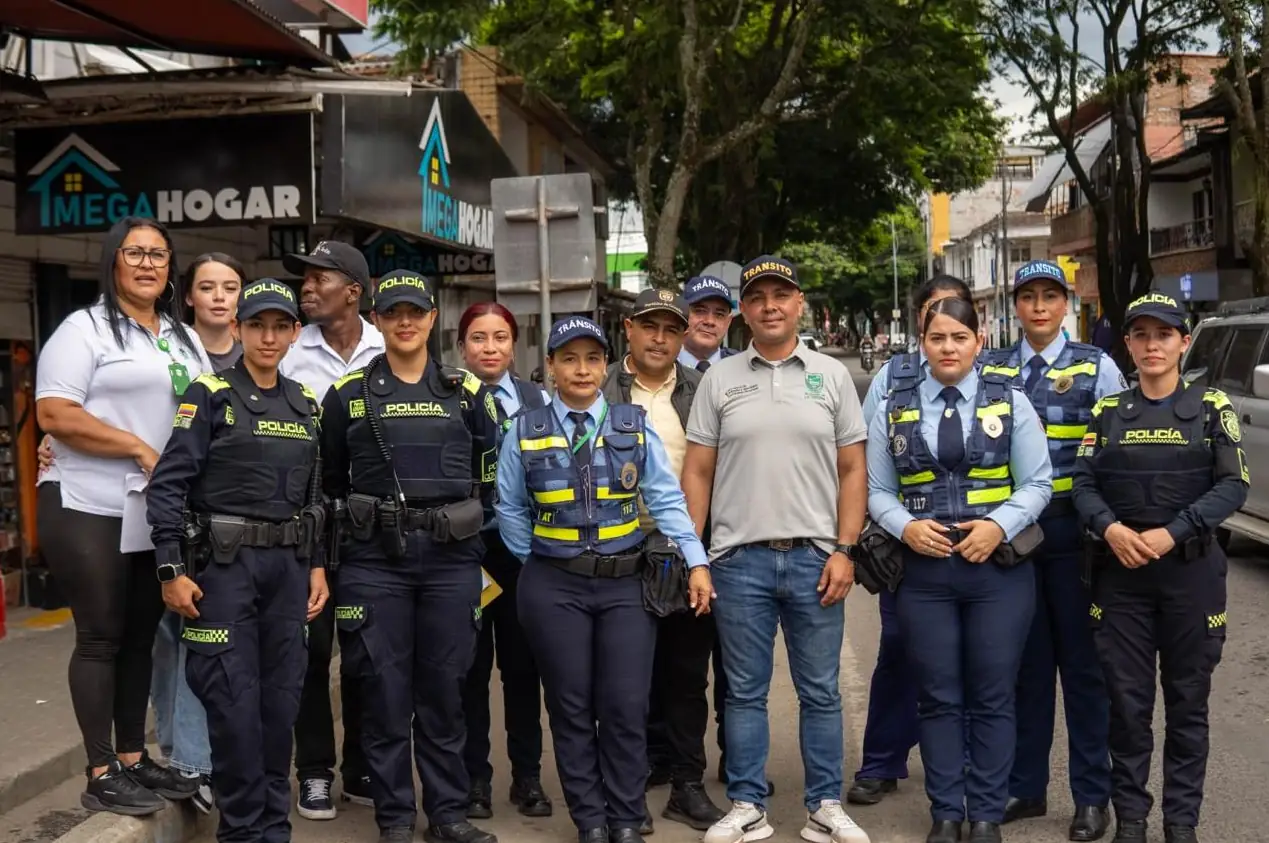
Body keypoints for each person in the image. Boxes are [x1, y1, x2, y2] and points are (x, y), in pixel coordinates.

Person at [496, 315, 714, 843]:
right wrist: (550, 561)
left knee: (624, 705)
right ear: (550, 367)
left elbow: (664, 499)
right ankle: (590, 819)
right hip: (554, 586)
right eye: (568, 358)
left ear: (604, 364)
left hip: (624, 586)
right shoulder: (524, 431)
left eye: (592, 358)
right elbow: (508, 507)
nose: (581, 369)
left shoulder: (630, 424)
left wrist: (697, 561)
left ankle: (625, 816)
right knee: (570, 706)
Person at [682, 256, 870, 843]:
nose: (769, 305)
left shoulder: (832, 375)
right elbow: (698, 473)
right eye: (758, 296)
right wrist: (696, 557)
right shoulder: (721, 379)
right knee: (743, 692)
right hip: (739, 561)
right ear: (744, 309)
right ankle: (746, 804)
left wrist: (846, 549)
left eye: (780, 295)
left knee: (820, 691)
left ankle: (824, 806)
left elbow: (852, 469)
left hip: (817, 559)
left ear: (799, 304)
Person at [35, 216, 212, 815]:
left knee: (140, 636)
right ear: (112, 261)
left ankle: (134, 759)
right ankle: (100, 768)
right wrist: (137, 446)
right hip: (87, 500)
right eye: (134, 252)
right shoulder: (83, 330)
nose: (146, 264)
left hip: (151, 509)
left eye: (158, 255)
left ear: (171, 269)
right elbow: (55, 413)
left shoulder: (180, 337)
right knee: (102, 634)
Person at [145, 279, 331, 843]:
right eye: (257, 326)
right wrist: (171, 570)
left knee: (280, 709)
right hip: (224, 572)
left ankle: (274, 831)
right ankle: (243, 831)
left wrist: (317, 565)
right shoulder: (209, 393)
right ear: (240, 329)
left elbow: (316, 497)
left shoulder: (305, 403)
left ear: (295, 333)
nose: (269, 337)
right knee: (233, 709)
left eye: (280, 326)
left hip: (288, 573)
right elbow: (168, 488)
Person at [321, 270, 499, 843]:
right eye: (393, 311)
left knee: (446, 691)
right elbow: (326, 486)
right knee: (384, 693)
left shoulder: (465, 392)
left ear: (431, 320)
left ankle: (447, 814)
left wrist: (475, 537)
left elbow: (491, 479)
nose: (404, 321)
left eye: (415, 312)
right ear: (376, 318)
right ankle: (395, 817)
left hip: (451, 559)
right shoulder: (347, 397)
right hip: (374, 562)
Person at [866, 297, 1053, 843]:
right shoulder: (893, 405)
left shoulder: (1011, 402)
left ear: (979, 340)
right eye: (937, 337)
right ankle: (947, 811)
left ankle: (987, 814)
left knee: (993, 692)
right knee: (938, 694)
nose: (948, 348)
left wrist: (998, 526)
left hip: (997, 571)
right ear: (921, 342)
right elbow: (878, 491)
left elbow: (1038, 483)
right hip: (924, 574)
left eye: (959, 337)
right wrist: (905, 528)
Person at [1072, 293, 1247, 843]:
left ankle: (1180, 824)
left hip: (1189, 578)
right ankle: (1133, 823)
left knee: (1188, 707)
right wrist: (1112, 529)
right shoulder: (1107, 412)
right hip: (1121, 578)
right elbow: (1082, 483)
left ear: (1183, 342)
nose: (1152, 345)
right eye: (1141, 335)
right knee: (1127, 709)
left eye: (1164, 334)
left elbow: (1234, 484)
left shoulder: (1212, 405)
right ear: (1127, 344)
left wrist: (1174, 532)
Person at [979, 260, 1125, 840]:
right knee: (1025, 668)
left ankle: (1093, 796)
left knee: (1084, 670)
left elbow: (1114, 455)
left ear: (1066, 303)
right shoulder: (992, 369)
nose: (1039, 307)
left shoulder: (1097, 366)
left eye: (1050, 296)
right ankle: (1025, 786)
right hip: (1012, 536)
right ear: (1015, 306)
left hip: (1075, 534)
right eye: (1028, 297)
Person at [601, 288, 725, 832]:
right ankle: (625, 791)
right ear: (628, 329)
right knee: (623, 679)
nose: (659, 338)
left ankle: (687, 785)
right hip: (613, 547)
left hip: (683, 549)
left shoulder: (705, 390)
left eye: (671, 330)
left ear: (682, 337)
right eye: (649, 326)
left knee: (685, 674)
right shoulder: (598, 385)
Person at [849, 274, 974, 808]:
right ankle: (882, 762)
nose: (943, 325)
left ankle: (965, 762)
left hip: (975, 545)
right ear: (920, 324)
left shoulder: (985, 375)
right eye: (932, 314)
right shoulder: (892, 376)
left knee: (971, 659)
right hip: (906, 543)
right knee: (899, 651)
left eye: (953, 316)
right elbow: (872, 460)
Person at [281, 240, 383, 819]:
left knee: (368, 651)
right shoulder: (292, 351)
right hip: (306, 523)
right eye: (305, 279)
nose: (307, 288)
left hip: (370, 526)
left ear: (354, 290)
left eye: (320, 279)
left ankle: (363, 763)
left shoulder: (386, 346)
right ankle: (314, 770)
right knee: (312, 651)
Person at [456, 301, 554, 820]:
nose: (488, 348)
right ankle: (475, 781)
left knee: (523, 669)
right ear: (461, 346)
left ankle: (529, 778)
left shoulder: (538, 400)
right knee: (469, 672)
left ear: (514, 346)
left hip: (522, 552)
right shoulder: (447, 396)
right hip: (466, 553)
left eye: (498, 338)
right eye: (477, 338)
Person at [678, 275, 739, 372]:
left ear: (728, 322)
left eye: (719, 314)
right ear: (682, 314)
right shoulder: (661, 365)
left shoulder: (742, 368)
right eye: (700, 311)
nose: (709, 321)